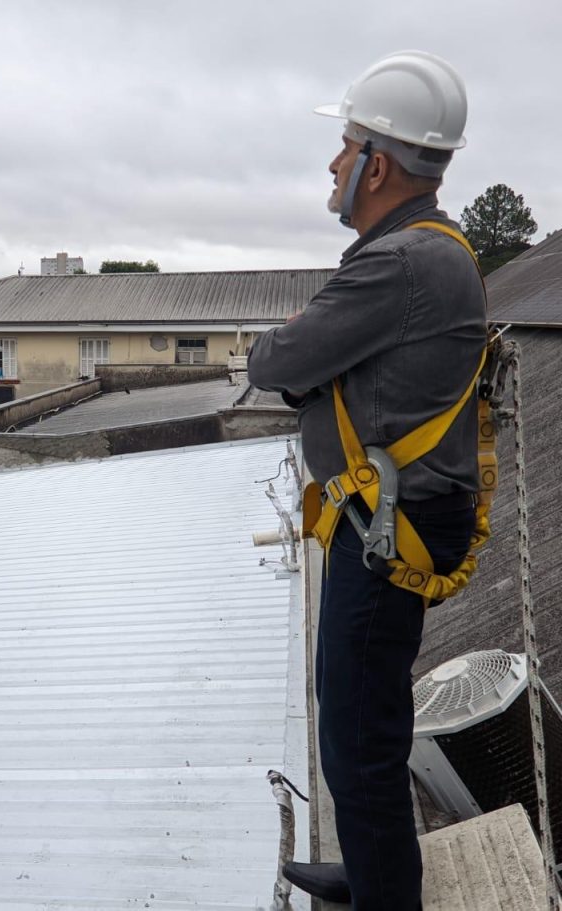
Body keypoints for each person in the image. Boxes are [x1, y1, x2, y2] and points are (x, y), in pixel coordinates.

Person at [247, 51, 486, 910]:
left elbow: (281, 358)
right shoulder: (422, 252)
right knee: (360, 716)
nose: (333, 164)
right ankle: (372, 865)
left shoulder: (399, 264)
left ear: (378, 166)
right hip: (388, 516)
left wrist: (295, 351)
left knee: (357, 734)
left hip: (386, 529)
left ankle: (385, 896)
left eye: (345, 148)